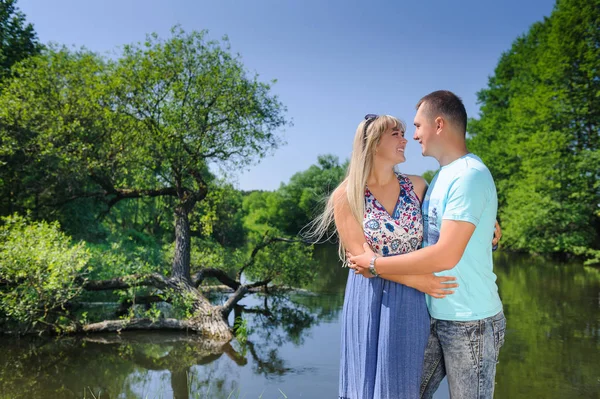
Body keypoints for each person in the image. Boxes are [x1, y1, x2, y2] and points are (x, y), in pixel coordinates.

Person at [349, 91, 506, 399]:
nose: (414, 135)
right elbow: (427, 235)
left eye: (418, 126)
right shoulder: (441, 177)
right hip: (432, 315)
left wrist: (374, 265)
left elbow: (445, 254)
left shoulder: (469, 176)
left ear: (438, 125)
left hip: (471, 321)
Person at [306, 113, 459, 399]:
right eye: (396, 134)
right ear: (373, 143)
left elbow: (451, 222)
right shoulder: (346, 195)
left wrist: (488, 226)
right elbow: (362, 261)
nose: (406, 140)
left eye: (404, 133)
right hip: (368, 298)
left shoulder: (417, 186)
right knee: (363, 384)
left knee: (401, 384)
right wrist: (421, 283)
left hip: (411, 305)